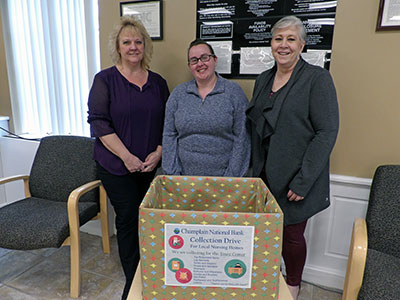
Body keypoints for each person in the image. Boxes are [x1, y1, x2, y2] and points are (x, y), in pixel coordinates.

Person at [246, 16, 339, 300]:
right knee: (263, 233)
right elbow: (255, 126)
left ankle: (293, 283)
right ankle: (266, 276)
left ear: (302, 44)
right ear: (271, 43)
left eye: (290, 39)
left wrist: (303, 181)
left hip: (297, 178)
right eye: (278, 39)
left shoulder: (316, 78)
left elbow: (326, 131)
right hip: (264, 175)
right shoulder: (263, 79)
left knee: (292, 237)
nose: (283, 45)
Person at [87, 16, 169, 300]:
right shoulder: (105, 80)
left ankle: (152, 271)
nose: (133, 47)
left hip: (149, 166)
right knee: (128, 218)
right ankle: (134, 282)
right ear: (118, 48)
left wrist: (158, 153)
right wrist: (127, 157)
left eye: (138, 41)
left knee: (148, 219)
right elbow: (98, 123)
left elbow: (168, 125)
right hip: (116, 167)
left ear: (145, 46)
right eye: (127, 42)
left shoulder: (158, 83)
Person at [162, 39, 250, 177]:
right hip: (183, 180)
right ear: (189, 66)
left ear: (215, 60)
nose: (200, 63)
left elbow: (242, 138)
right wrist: (173, 174)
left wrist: (231, 178)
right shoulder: (178, 94)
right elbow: (169, 135)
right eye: (194, 60)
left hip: (224, 180)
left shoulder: (234, 92)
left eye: (205, 57)